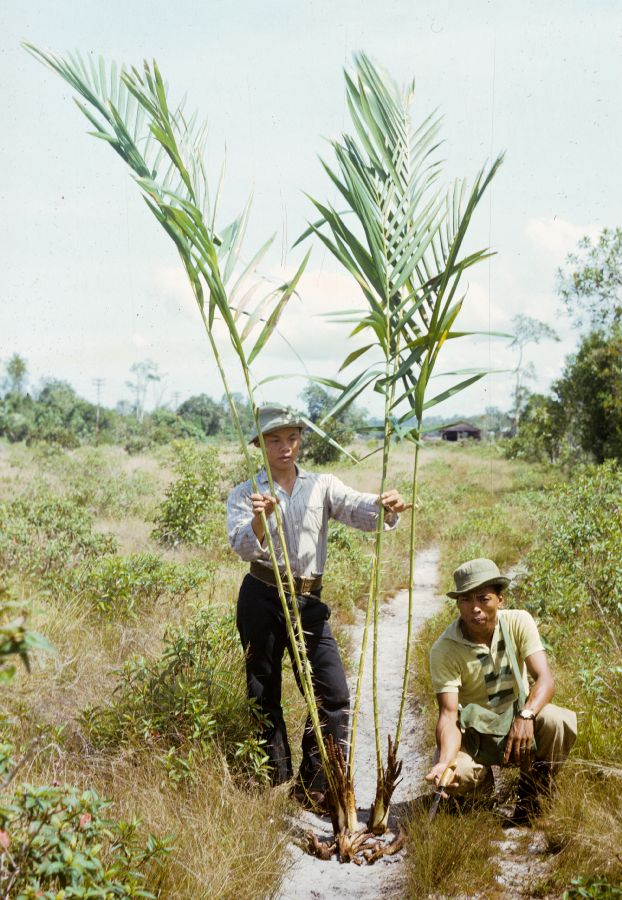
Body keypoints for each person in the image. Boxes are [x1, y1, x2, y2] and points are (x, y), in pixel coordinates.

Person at [227, 405, 407, 809]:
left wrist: (387, 506)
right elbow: (240, 546)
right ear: (259, 444)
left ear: (300, 441)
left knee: (333, 693)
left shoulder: (322, 485)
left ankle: (313, 783)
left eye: (291, 438)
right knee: (263, 691)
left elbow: (361, 509)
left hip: (308, 600)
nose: (284, 447)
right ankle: (271, 781)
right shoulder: (246, 493)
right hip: (262, 595)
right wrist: (260, 520)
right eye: (274, 440)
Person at [425, 557, 577, 824]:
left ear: (500, 600)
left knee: (557, 720)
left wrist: (527, 715)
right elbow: (448, 716)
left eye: (483, 599)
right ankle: (481, 791)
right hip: (473, 735)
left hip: (517, 724)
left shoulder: (518, 622)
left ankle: (533, 794)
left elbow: (545, 679)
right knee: (457, 777)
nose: (475, 609)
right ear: (457, 604)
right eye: (465, 600)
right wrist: (445, 761)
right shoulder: (444, 649)